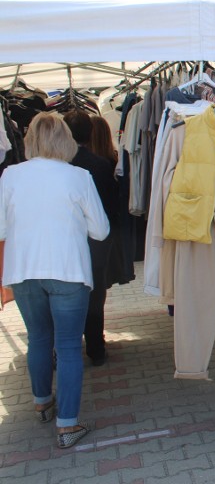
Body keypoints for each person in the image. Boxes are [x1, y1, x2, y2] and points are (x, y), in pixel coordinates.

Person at [0, 112, 109, 448]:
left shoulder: (11, 175)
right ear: (65, 139)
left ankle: (41, 402)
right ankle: (67, 425)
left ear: (29, 139)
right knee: (68, 346)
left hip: (24, 269)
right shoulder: (78, 176)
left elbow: (1, 229)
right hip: (67, 270)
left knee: (38, 339)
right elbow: (101, 230)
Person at [64, 111, 120, 367]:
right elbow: (110, 207)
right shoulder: (100, 165)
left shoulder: (60, 164)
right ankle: (96, 347)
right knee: (95, 296)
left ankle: (67, 344)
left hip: (65, 241)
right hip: (95, 241)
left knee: (66, 296)